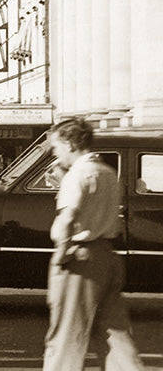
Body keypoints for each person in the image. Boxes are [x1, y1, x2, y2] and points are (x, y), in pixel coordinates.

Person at [42, 118, 145, 371]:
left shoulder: (77, 175)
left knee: (67, 334)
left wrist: (61, 255)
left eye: (56, 147)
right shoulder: (107, 172)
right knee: (115, 332)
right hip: (107, 255)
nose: (55, 153)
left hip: (81, 260)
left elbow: (68, 217)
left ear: (69, 143)